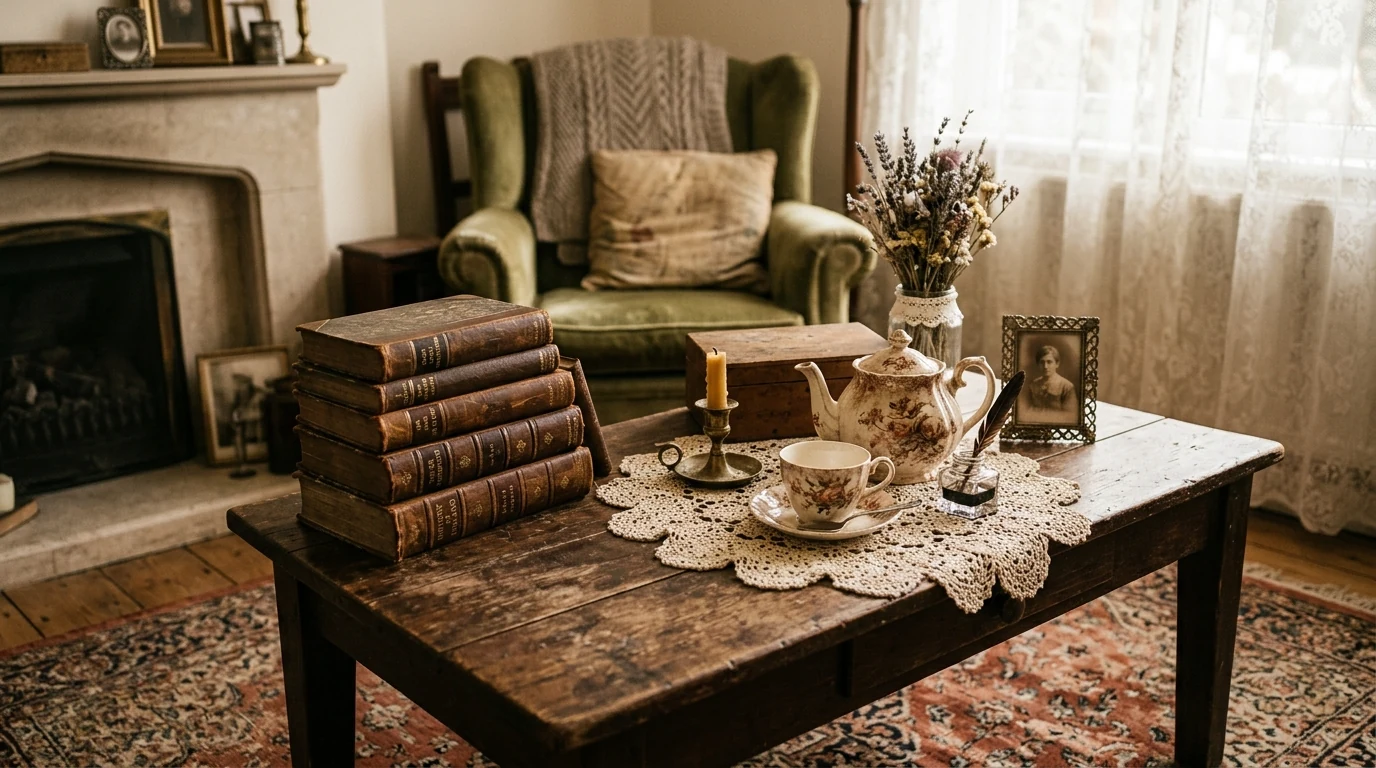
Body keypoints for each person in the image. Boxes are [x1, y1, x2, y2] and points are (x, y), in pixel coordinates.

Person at [1027, 344, 1076, 415]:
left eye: (1049, 362)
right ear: (1038, 364)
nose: (1045, 366)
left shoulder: (1067, 387)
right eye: (1042, 362)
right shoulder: (1033, 385)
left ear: (1057, 364)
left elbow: (1070, 415)